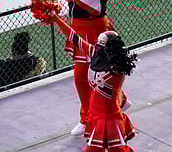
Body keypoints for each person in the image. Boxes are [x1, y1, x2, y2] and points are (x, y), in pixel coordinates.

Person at [30, 0, 131, 135]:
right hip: (76, 29)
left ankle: (87, 119)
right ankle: (121, 101)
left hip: (96, 31)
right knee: (84, 77)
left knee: (88, 76)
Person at [48, 10, 136, 152]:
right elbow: (74, 37)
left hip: (108, 118)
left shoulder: (116, 70)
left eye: (101, 43)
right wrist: (55, 18)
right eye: (97, 42)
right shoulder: (94, 54)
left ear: (111, 48)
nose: (97, 45)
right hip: (95, 115)